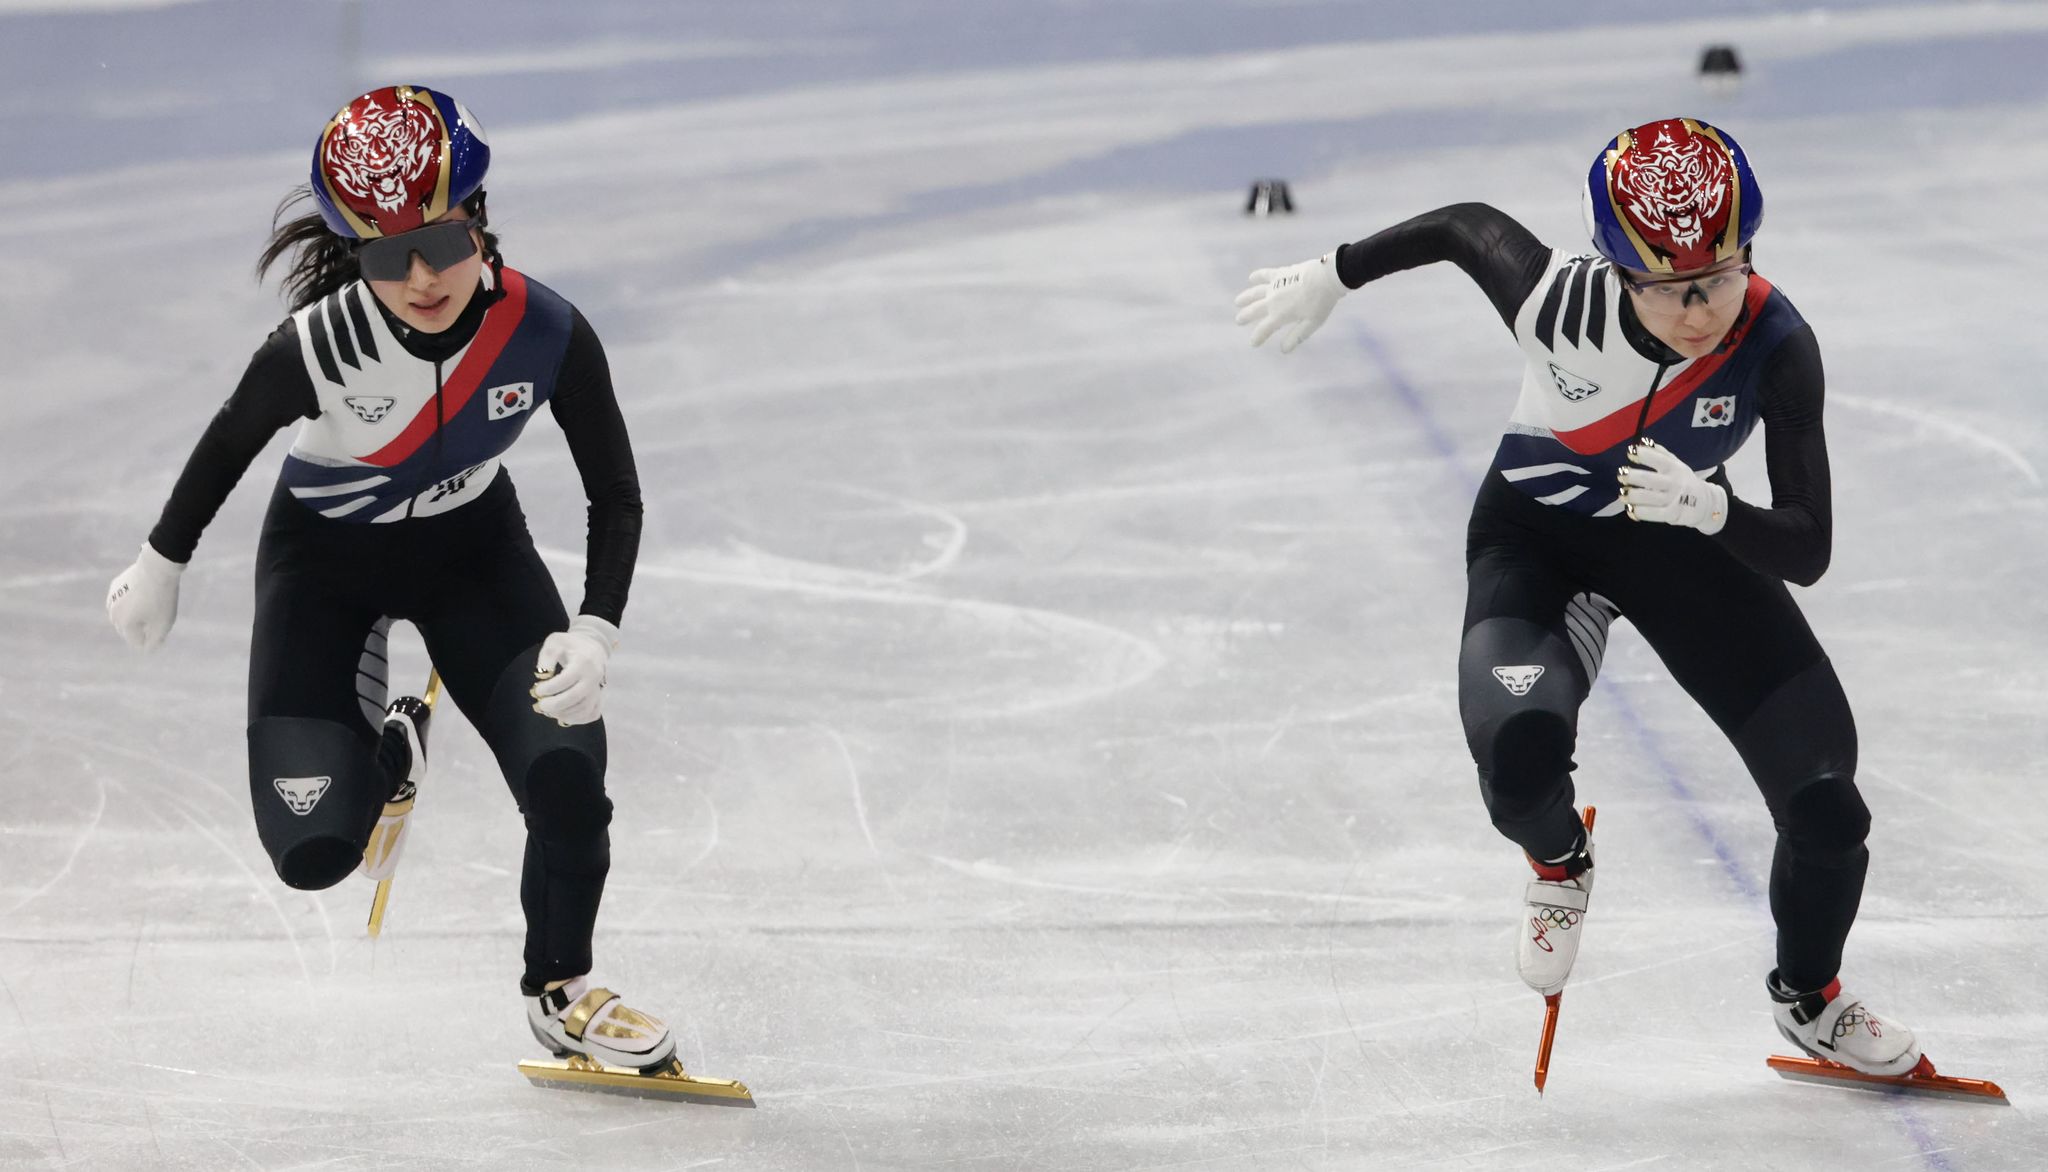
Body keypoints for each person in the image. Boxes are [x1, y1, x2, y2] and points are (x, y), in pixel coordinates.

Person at [1232, 117, 1919, 1075]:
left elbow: (1808, 548)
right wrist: (1336, 271)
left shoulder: (1777, 344)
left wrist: (1713, 509)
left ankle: (1810, 998)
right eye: (1673, 288)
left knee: (1827, 808)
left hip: (1685, 545)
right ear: (1621, 270)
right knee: (1517, 758)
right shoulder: (1556, 299)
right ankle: (1560, 865)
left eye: (1722, 277)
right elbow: (1465, 226)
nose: (1701, 309)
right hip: (1537, 542)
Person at [103, 84, 676, 1074]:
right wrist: (161, 563)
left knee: (569, 781)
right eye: (383, 255)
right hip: (322, 564)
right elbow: (225, 446)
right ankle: (388, 756)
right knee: (314, 850)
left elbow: (614, 493)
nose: (418, 277)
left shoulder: (545, 332)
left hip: (475, 560)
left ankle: (560, 985)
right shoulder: (319, 347)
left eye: (443, 245)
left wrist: (597, 629)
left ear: (479, 222)